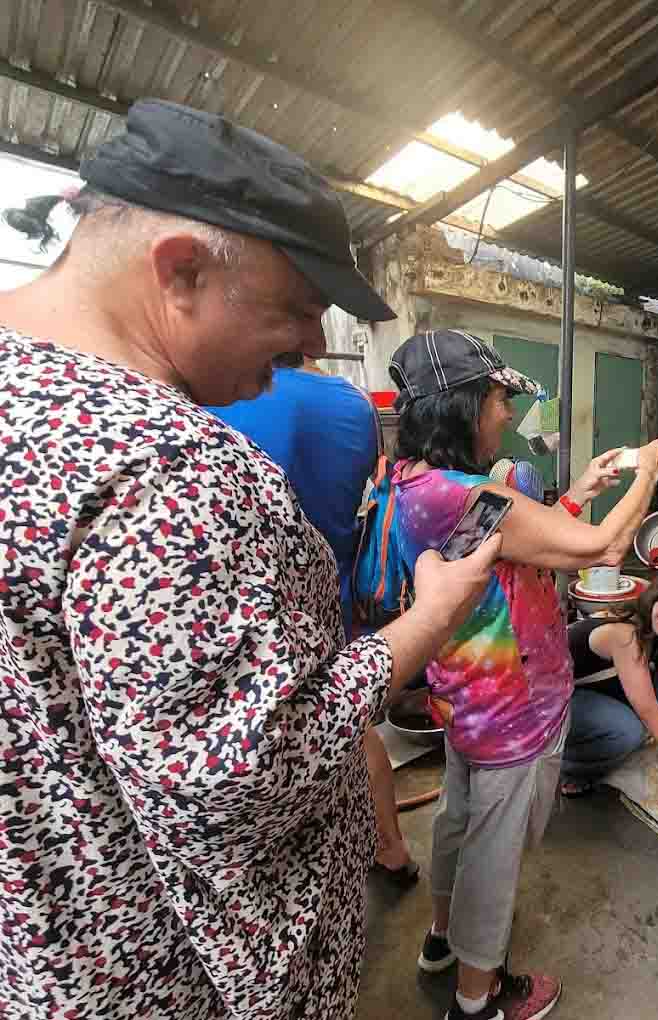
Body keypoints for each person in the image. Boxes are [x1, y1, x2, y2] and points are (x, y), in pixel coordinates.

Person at [0, 99, 498, 1020]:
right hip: (187, 978)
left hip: (47, 966)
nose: (312, 346)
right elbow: (239, 779)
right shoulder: (168, 464)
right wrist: (425, 624)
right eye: (298, 311)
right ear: (180, 269)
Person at [387, 328, 658, 1020]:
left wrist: (575, 493)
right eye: (495, 399)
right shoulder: (462, 493)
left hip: (466, 700)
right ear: (459, 407)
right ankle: (477, 1000)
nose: (508, 414)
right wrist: (646, 477)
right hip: (514, 711)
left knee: (460, 825)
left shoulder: (419, 484)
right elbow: (600, 547)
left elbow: (520, 548)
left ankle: (440, 944)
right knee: (496, 857)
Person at [214, 360, 420, 882]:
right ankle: (392, 849)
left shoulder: (221, 394)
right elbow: (368, 486)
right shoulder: (352, 403)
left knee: (269, 743)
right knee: (347, 725)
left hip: (253, 604)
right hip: (335, 592)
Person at [561, 573, 658, 795]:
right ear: (652, 600)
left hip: (592, 686)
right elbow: (647, 709)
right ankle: (567, 769)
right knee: (630, 731)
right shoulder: (626, 635)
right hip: (551, 699)